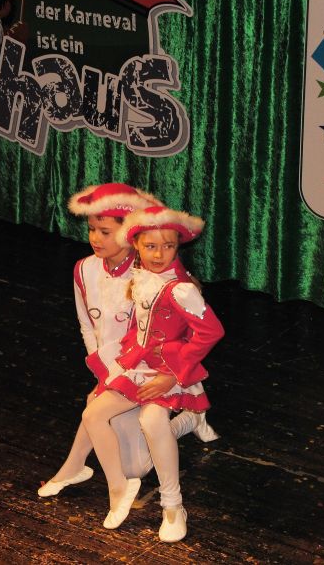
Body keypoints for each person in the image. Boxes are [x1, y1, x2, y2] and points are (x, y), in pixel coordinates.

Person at [38, 185, 216, 499]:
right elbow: (86, 324)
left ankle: (187, 418)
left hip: (152, 372)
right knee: (108, 429)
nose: (95, 238)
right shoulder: (84, 269)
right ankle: (74, 466)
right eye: (92, 229)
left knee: (136, 466)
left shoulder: (150, 273)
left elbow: (186, 333)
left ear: (127, 234)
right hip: (116, 371)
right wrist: (104, 374)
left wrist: (173, 374)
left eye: (105, 232)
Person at [80, 205, 225, 543]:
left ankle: (173, 505)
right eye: (151, 246)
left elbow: (211, 331)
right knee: (93, 414)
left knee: (151, 421)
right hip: (140, 364)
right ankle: (119, 487)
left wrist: (173, 375)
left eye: (168, 246)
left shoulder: (181, 289)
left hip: (169, 369)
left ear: (178, 246)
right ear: (137, 245)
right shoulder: (142, 277)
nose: (159, 254)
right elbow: (141, 325)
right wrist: (124, 361)